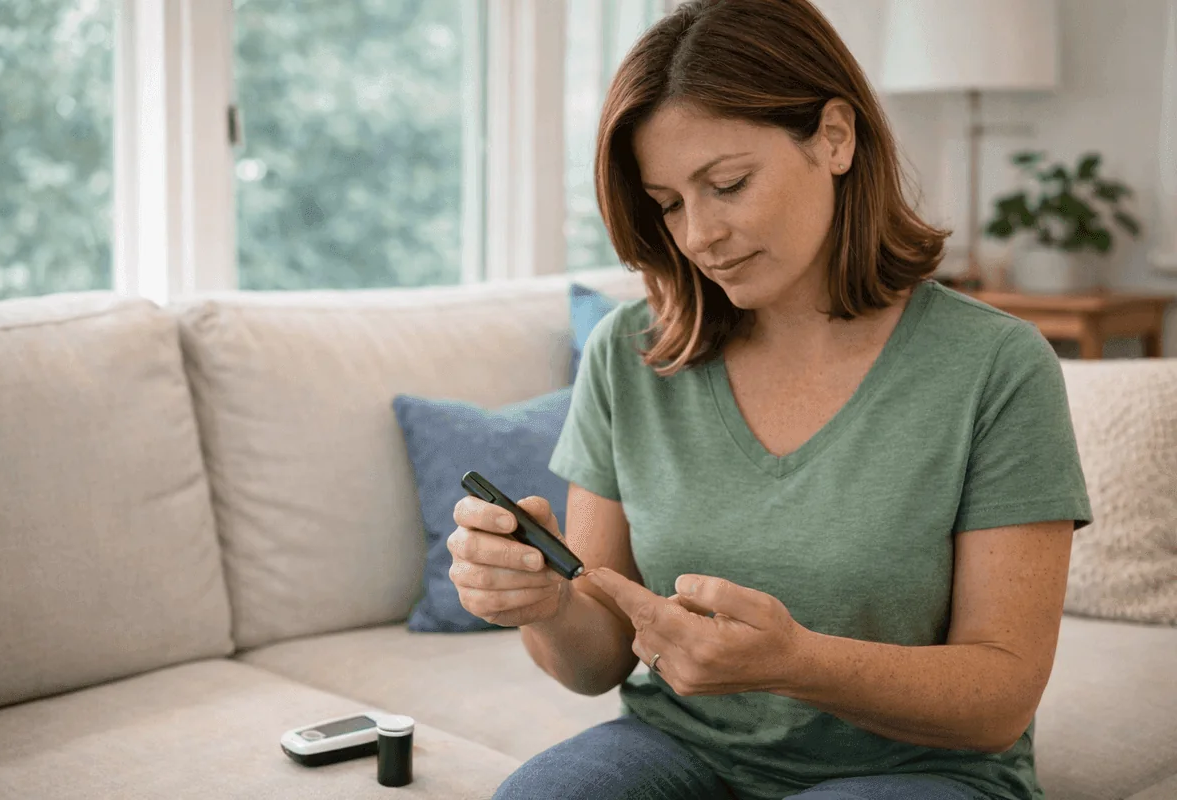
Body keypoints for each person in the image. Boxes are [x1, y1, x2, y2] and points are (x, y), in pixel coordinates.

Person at [447, 1, 1092, 798]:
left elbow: (998, 702)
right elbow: (599, 659)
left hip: (920, 772)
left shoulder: (996, 367)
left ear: (835, 137)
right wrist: (541, 603)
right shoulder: (629, 353)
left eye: (727, 184)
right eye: (669, 203)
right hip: (681, 750)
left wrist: (797, 665)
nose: (699, 235)